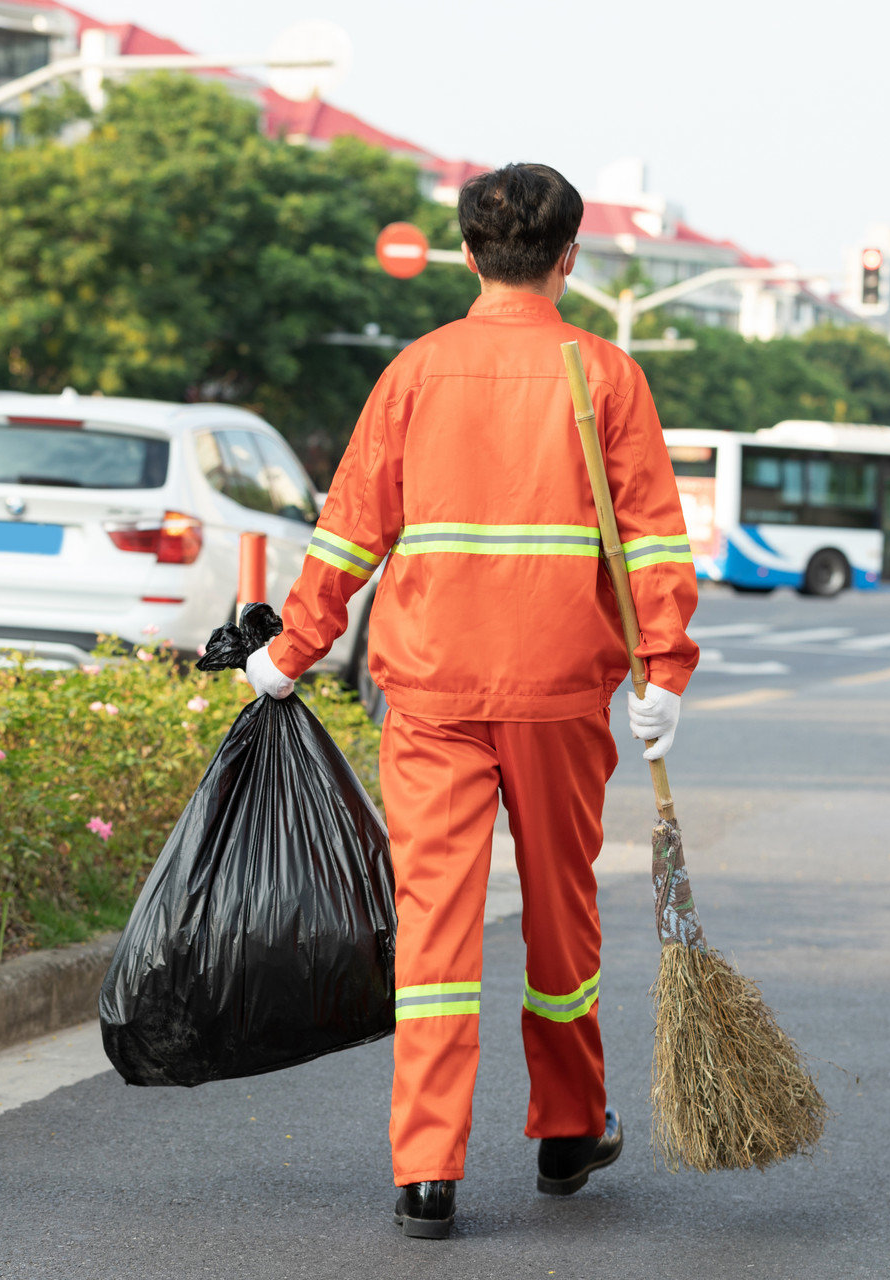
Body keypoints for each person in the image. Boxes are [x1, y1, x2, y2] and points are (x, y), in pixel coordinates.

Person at [244, 163, 698, 1239]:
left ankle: (426, 1169)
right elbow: (652, 538)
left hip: (435, 690)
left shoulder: (416, 372)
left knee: (436, 926)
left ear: (465, 253)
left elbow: (350, 529)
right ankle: (567, 1130)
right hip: (558, 692)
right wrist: (665, 671)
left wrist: (292, 651)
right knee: (559, 913)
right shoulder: (606, 377)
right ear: (570, 258)